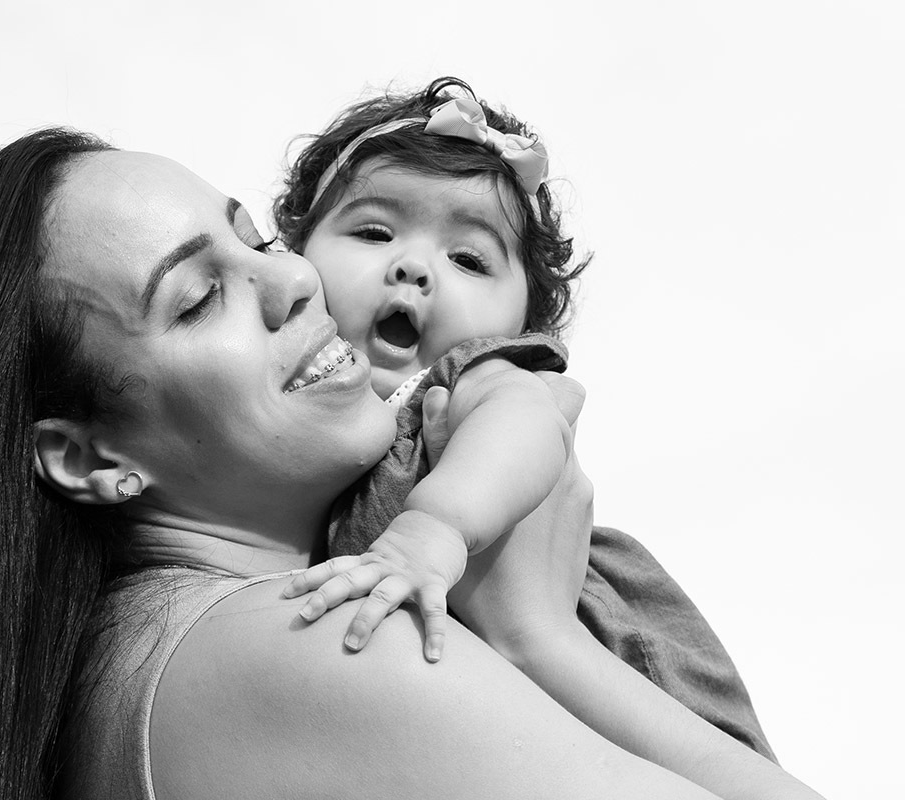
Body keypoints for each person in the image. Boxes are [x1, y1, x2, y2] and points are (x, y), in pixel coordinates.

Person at [0, 128, 824, 800]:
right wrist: (541, 637)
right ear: (88, 457)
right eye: (197, 297)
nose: (292, 285)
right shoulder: (316, 639)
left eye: (250, 242)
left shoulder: (133, 672)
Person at [273, 77, 776, 757]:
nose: (414, 267)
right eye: (373, 231)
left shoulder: (471, 375)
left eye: (469, 259)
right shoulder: (291, 400)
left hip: (616, 657)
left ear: (524, 322)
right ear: (294, 255)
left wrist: (434, 526)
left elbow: (525, 424)